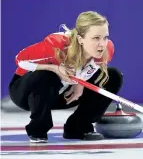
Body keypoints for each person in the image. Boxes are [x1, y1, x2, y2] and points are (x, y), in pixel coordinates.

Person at [8, 11, 123, 143]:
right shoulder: (57, 44)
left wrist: (79, 83)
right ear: (80, 39)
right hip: (26, 93)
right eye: (96, 38)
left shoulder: (106, 49)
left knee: (113, 76)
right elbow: (20, 59)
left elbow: (91, 67)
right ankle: (38, 129)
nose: (102, 44)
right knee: (45, 74)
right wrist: (54, 68)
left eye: (105, 37)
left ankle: (77, 127)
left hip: (65, 94)